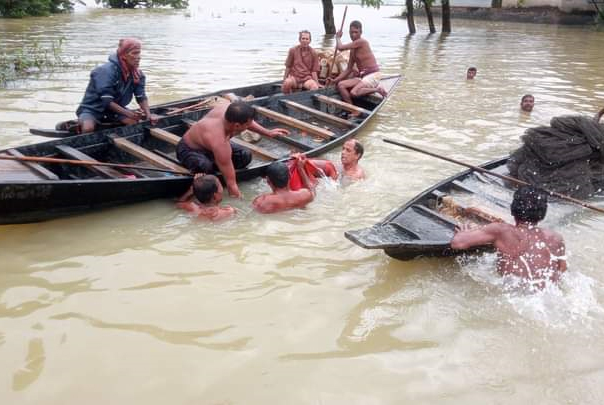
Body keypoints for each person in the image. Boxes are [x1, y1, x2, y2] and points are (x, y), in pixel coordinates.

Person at [450, 186, 566, 289]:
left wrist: (463, 232)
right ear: (542, 215)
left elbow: (458, 243)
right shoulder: (555, 238)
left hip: (516, 292)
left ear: (512, 209)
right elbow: (562, 270)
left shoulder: (501, 230)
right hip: (548, 293)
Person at [177, 101, 290, 198]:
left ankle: (219, 162)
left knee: (245, 156)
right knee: (205, 167)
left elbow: (248, 121)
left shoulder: (229, 110)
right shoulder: (219, 140)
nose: (249, 126)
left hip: (213, 148)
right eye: (247, 125)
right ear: (236, 126)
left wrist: (268, 132)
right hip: (189, 149)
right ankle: (217, 164)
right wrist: (235, 193)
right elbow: (231, 184)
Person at [76, 38, 161, 133]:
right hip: (93, 110)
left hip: (115, 111)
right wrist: (128, 113)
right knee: (88, 128)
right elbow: (107, 101)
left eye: (139, 53)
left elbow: (141, 97)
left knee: (136, 123)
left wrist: (148, 114)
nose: (138, 57)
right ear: (124, 55)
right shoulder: (106, 71)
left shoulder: (138, 75)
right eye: (134, 53)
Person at [330, 20, 387, 104]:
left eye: (356, 32)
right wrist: (334, 80)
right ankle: (352, 109)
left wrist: (337, 37)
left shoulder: (362, 42)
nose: (353, 35)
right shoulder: (353, 50)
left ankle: (377, 89)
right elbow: (348, 69)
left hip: (373, 75)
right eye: (351, 32)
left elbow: (340, 47)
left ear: (361, 32)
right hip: (363, 77)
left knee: (354, 92)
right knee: (341, 85)